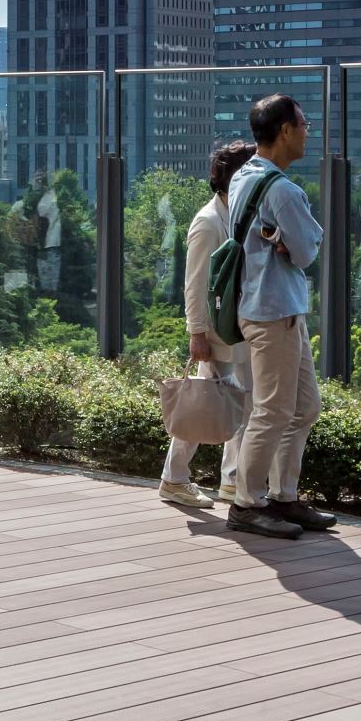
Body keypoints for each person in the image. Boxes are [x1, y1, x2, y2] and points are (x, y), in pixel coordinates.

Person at [228, 94, 333, 540]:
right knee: (273, 411)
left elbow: (289, 242)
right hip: (274, 311)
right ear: (286, 131)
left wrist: (286, 241)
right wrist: (293, 241)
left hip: (270, 307)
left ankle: (284, 496)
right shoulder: (284, 190)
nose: (309, 131)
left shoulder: (244, 176)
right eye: (305, 124)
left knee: (304, 406)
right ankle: (247, 504)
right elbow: (309, 250)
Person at [159, 141, 260, 509]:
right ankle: (175, 478)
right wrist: (196, 333)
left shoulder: (235, 215)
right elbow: (195, 282)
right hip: (217, 333)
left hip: (236, 329)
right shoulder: (207, 221)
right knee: (202, 404)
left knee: (236, 404)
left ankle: (230, 480)